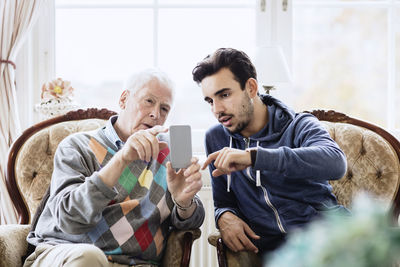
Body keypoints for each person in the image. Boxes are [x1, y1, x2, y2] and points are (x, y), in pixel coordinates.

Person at [24, 69, 205, 267]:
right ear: (124, 99)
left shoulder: (169, 150)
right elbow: (70, 219)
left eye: (164, 108)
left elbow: (191, 223)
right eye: (149, 101)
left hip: (135, 263)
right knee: (89, 258)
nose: (155, 114)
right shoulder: (77, 146)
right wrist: (122, 158)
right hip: (67, 253)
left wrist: (184, 202)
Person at [192, 48, 348, 255]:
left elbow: (336, 163)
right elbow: (223, 201)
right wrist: (224, 216)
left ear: (251, 87)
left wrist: (254, 157)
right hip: (274, 253)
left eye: (225, 95)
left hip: (329, 242)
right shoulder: (216, 138)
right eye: (210, 101)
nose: (216, 110)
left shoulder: (299, 125)